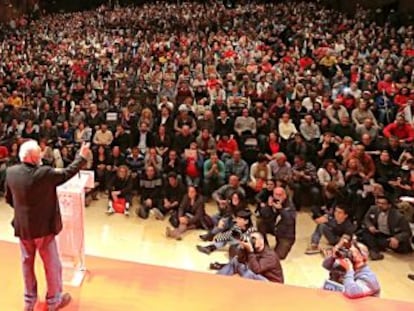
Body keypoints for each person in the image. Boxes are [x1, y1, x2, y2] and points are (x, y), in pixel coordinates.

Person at [5, 140, 90, 311]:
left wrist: (24, 212)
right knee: (52, 265)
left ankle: (29, 301)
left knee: (26, 264)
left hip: (23, 229)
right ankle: (53, 301)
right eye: (38, 153)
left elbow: (9, 199)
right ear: (30, 156)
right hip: (43, 229)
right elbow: (67, 173)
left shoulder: (11, 172)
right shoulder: (44, 173)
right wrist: (82, 157)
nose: (41, 155)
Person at [216, 231, 284, 283]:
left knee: (249, 273)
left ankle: (240, 292)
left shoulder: (270, 255)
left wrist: (250, 251)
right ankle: (217, 279)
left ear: (261, 241)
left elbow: (256, 270)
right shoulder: (253, 248)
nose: (252, 241)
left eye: (254, 239)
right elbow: (240, 260)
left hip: (270, 282)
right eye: (251, 238)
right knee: (235, 261)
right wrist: (243, 248)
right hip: (258, 275)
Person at [359, 195, 413, 260]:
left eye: (383, 204)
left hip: (391, 236)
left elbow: (407, 232)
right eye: (378, 203)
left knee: (402, 248)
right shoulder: (373, 209)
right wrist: (370, 226)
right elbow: (366, 218)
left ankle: (375, 246)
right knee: (365, 231)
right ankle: (375, 250)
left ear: (389, 205)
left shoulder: (398, 216)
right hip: (379, 233)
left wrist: (397, 238)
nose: (380, 205)